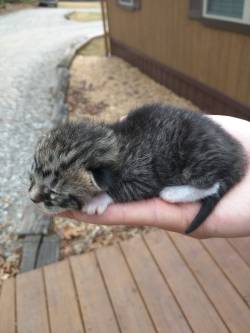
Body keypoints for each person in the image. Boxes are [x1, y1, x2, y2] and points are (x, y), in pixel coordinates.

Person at [61, 115, 250, 239]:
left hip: (194, 153)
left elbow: (143, 183)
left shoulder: (131, 162)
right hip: (168, 139)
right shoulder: (116, 146)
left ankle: (209, 186)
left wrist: (109, 197)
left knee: (171, 186)